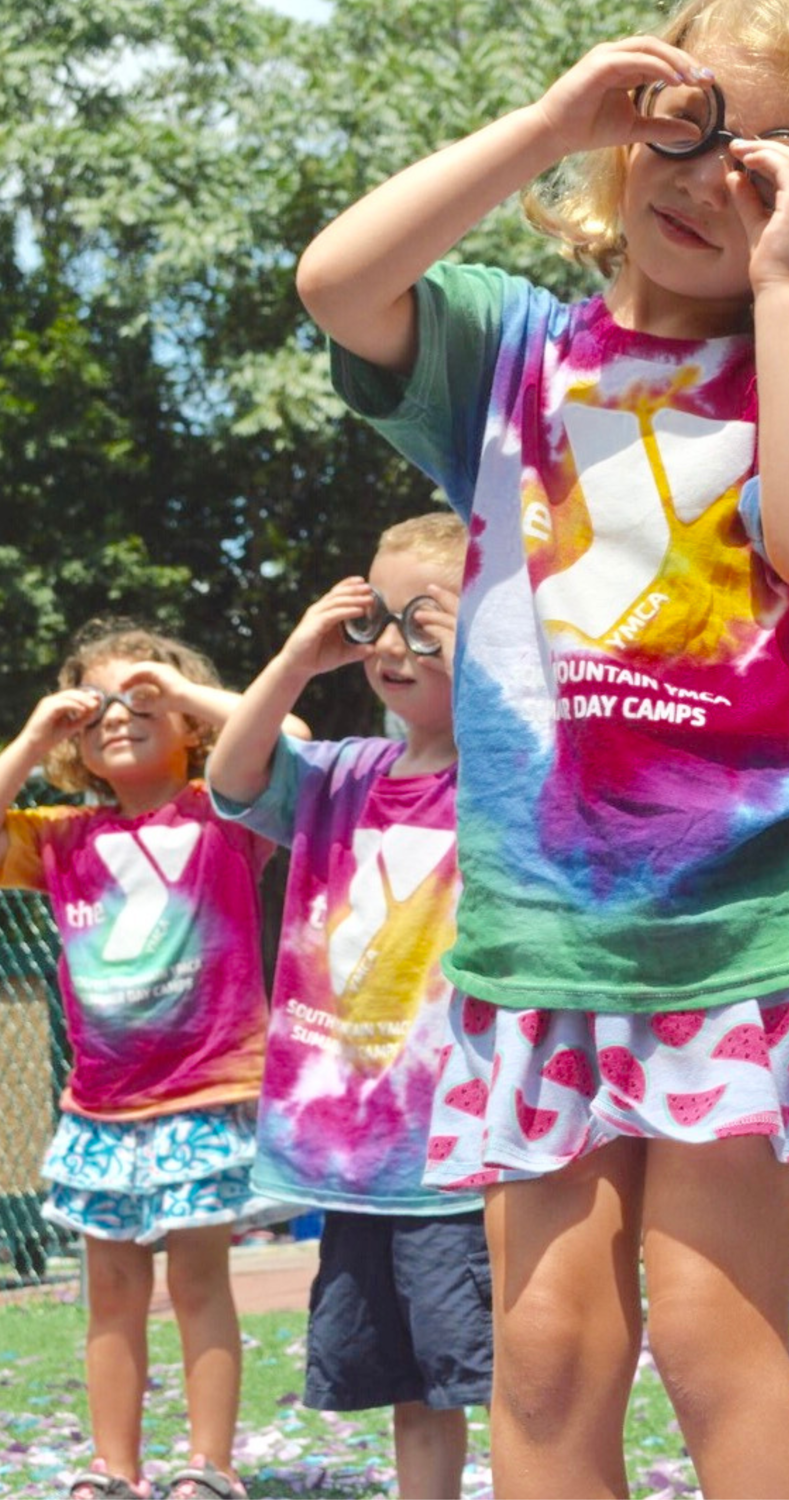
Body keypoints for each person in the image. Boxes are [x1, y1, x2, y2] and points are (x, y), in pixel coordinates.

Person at [289, 0, 789, 1492]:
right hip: (541, 944)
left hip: (741, 936)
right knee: (542, 1358)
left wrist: (788, 289)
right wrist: (547, 126)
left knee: (714, 1337)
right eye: (685, 124)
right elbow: (338, 281)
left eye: (767, 158)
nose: (708, 177)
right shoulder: (511, 353)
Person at [206, 513, 489, 1500]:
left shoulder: (504, 784)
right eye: (379, 617)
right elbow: (232, 778)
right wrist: (294, 660)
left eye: (428, 620)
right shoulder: (341, 778)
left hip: (461, 1153)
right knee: (412, 1389)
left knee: (501, 1374)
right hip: (356, 1158)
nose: (392, 647)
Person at [0, 621, 299, 1500]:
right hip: (100, 1107)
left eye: (145, 702)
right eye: (98, 712)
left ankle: (208, 1466)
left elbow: (291, 739)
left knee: (201, 1282)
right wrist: (31, 737)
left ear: (191, 725)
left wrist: (177, 691)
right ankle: (112, 1469)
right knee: (111, 1295)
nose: (120, 719)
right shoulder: (59, 839)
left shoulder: (228, 812)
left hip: (208, 1091)